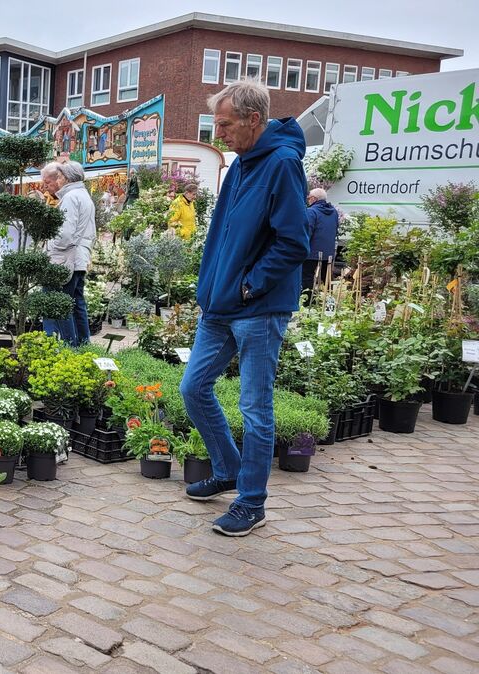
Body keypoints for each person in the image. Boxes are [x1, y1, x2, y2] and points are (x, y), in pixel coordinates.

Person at [179, 79, 309, 537]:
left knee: (255, 408)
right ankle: (227, 469)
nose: (219, 134)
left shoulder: (282, 164)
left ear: (254, 119)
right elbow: (224, 234)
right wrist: (212, 287)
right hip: (220, 305)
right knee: (193, 388)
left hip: (258, 308)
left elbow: (294, 241)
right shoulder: (240, 164)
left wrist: (250, 287)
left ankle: (251, 502)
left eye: (225, 124)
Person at [40, 161, 96, 346]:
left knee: (60, 305)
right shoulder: (84, 196)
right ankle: (83, 344)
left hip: (65, 259)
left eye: (60, 177)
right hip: (79, 258)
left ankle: (68, 347)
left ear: (66, 178)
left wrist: (50, 245)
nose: (58, 180)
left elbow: (64, 234)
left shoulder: (71, 197)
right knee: (77, 304)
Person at [302, 187, 339, 297]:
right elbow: (336, 229)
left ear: (314, 198)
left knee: (307, 277)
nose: (308, 200)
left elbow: (307, 231)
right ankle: (328, 301)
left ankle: (308, 301)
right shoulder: (334, 212)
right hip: (328, 252)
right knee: (326, 278)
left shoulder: (311, 211)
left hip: (312, 252)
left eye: (309, 198)